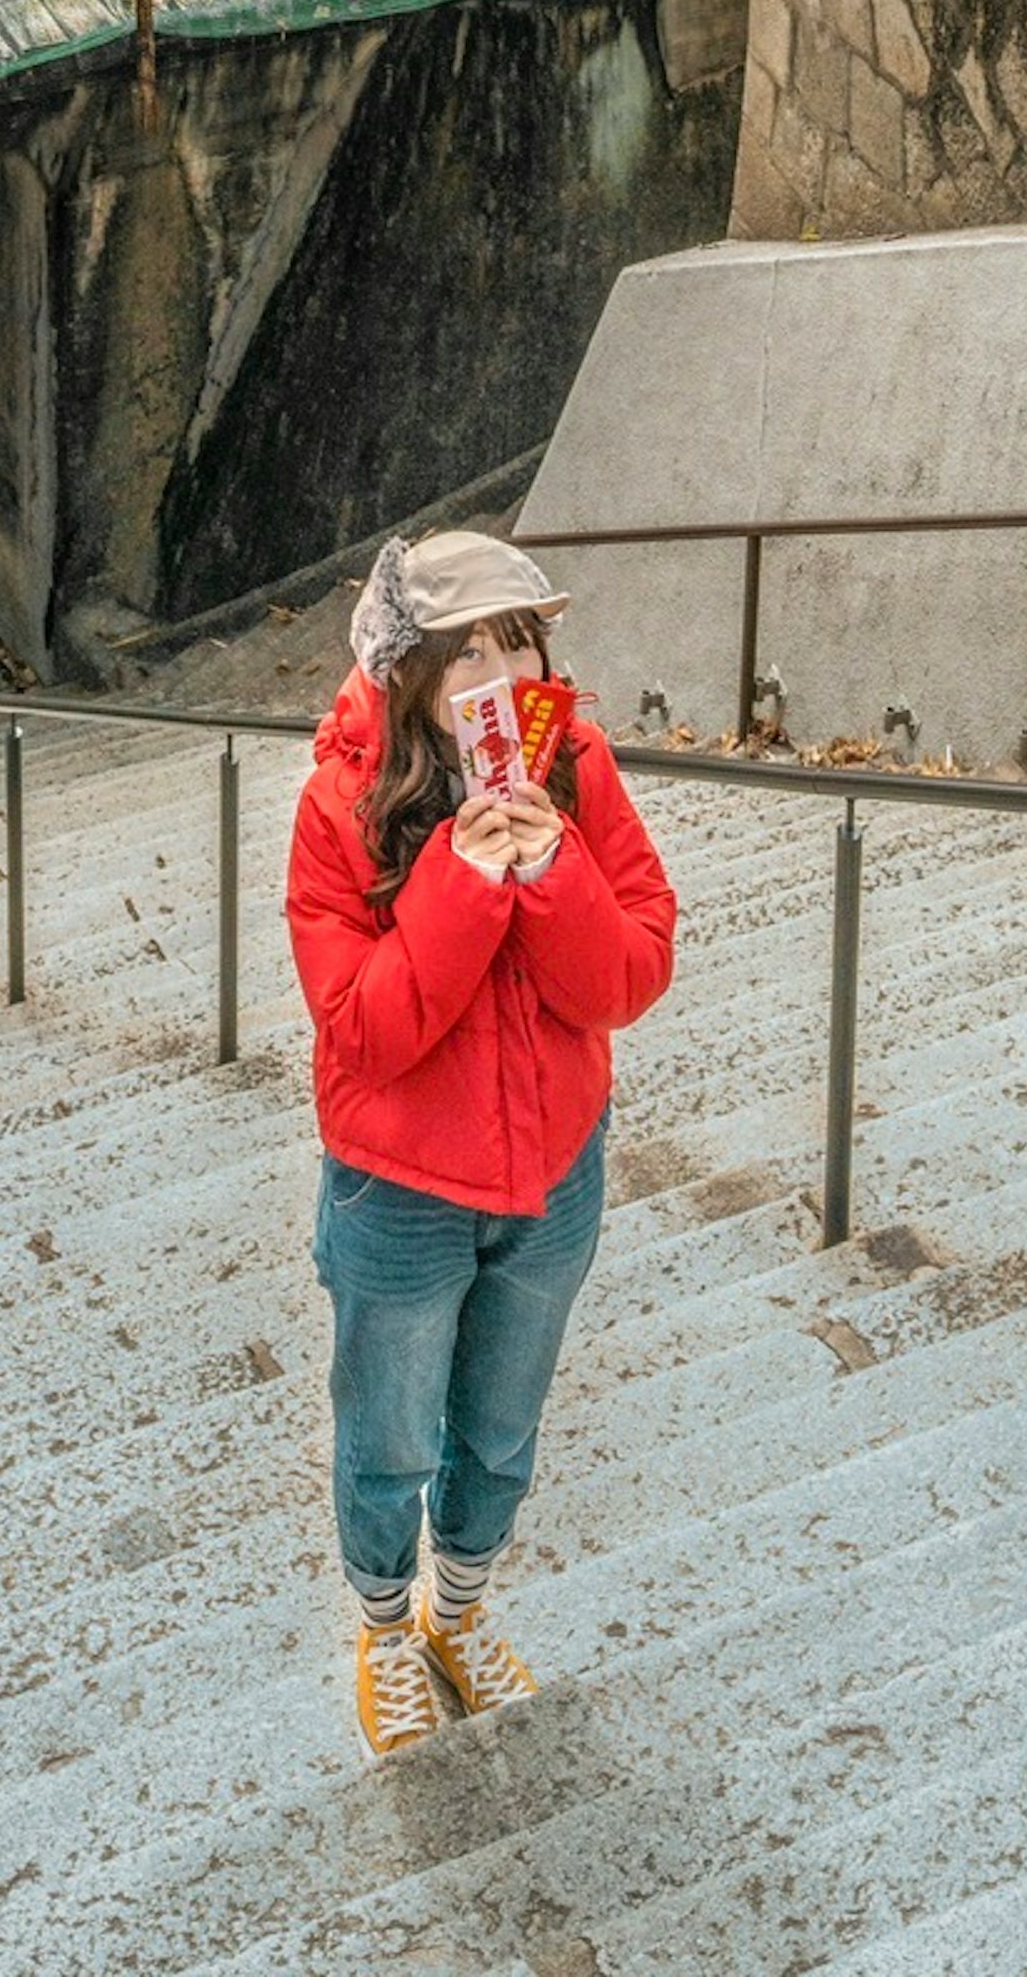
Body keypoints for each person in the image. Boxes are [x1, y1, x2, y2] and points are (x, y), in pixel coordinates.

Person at [283, 523, 678, 1755]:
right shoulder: (338, 808)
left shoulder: (577, 766)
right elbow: (366, 1033)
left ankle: (461, 1614)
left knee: (501, 1431)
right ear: (408, 672)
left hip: (553, 1174)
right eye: (466, 651)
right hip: (399, 1192)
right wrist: (460, 879)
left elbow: (631, 972)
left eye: (519, 639)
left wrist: (552, 869)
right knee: (390, 1436)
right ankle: (387, 1631)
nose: (501, 675)